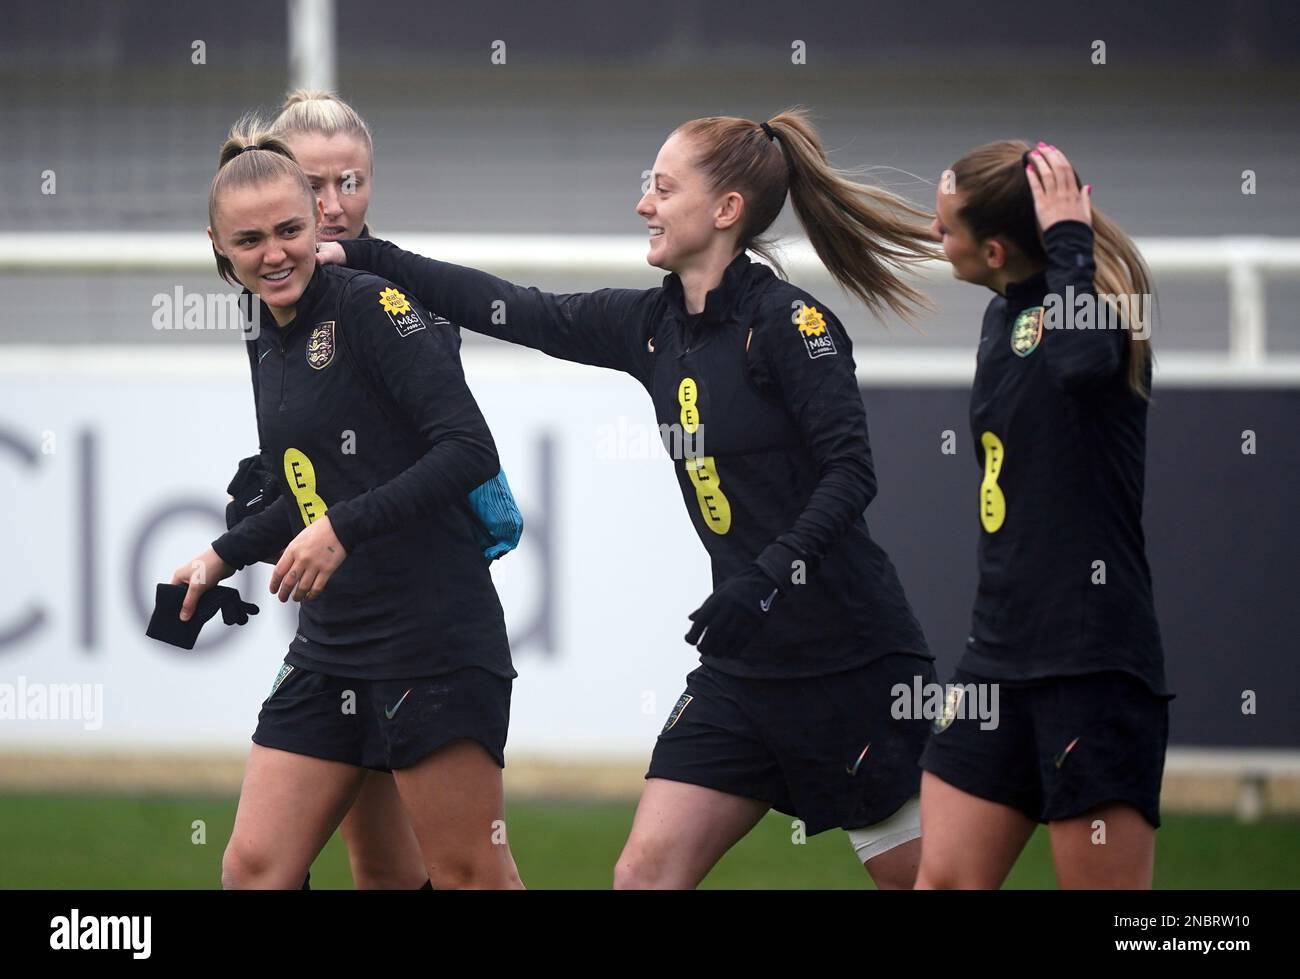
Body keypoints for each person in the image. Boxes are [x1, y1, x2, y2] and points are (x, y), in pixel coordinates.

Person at [321, 108, 938, 889]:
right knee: (642, 875)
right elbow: (516, 307)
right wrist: (370, 254)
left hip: (850, 661)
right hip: (743, 668)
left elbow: (852, 473)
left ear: (726, 211)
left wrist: (767, 575)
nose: (644, 203)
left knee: (929, 885)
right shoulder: (651, 324)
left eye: (662, 187)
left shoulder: (789, 322)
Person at [173, 116, 523, 889]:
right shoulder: (261, 322)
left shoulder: (374, 305)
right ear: (218, 246)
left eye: (291, 229)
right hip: (332, 645)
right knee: (256, 867)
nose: (274, 253)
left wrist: (343, 526)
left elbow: (470, 451)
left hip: (431, 637)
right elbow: (310, 487)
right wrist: (220, 554)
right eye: (250, 240)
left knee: (469, 874)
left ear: (315, 223)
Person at [916, 141, 1170, 889]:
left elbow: (1082, 363)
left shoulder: (1098, 318)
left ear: (995, 249)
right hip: (996, 658)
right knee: (944, 882)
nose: (934, 238)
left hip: (1089, 663)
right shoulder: (1003, 321)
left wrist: (1069, 241)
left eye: (946, 228)